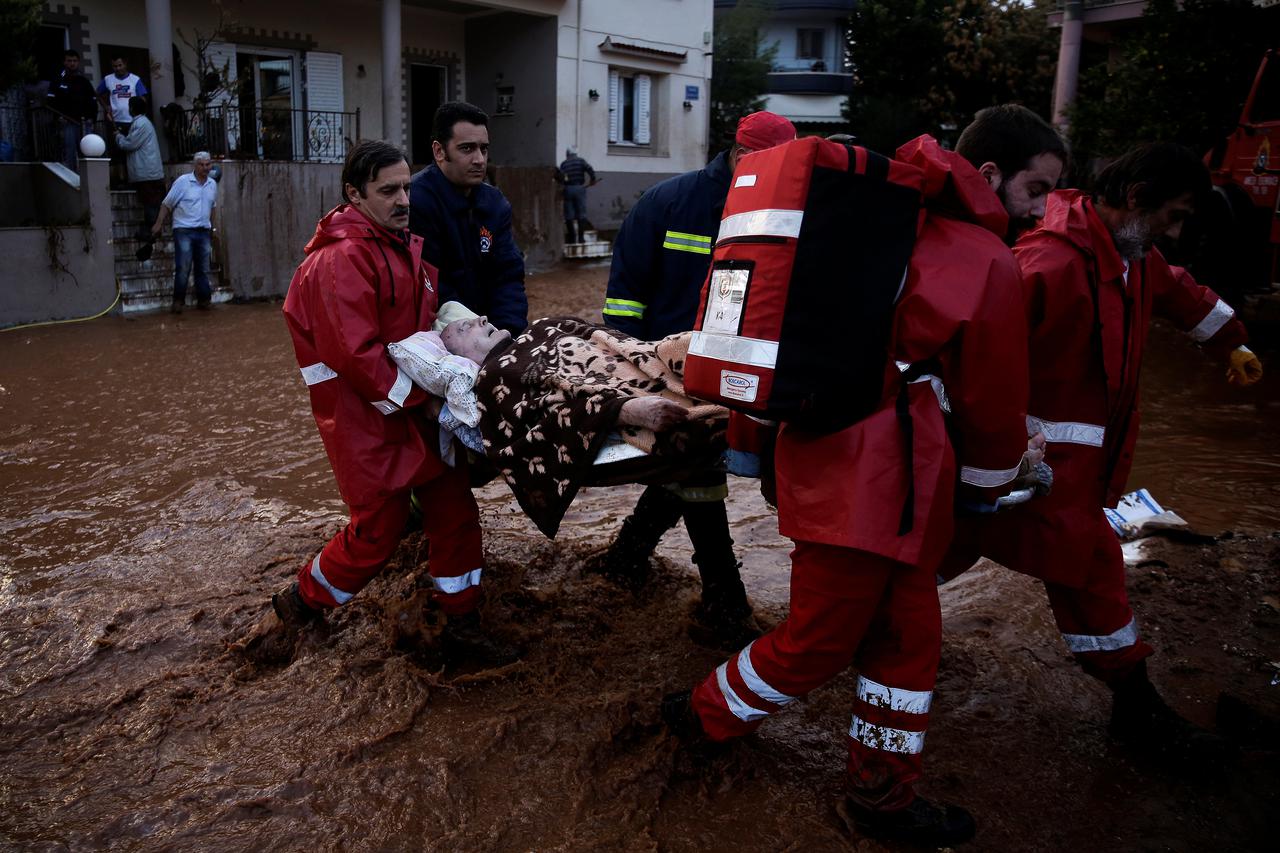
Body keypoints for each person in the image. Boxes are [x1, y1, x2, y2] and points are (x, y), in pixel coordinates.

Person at [661, 134, 1042, 848]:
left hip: (828, 460)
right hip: (883, 479)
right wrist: (988, 488)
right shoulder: (981, 255)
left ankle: (882, 793)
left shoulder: (837, 223)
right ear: (987, 177)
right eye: (1039, 188)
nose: (1045, 206)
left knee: (907, 637)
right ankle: (698, 714)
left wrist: (751, 456)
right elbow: (995, 395)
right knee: (821, 638)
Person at [937, 142, 1264, 768]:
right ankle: (1136, 708)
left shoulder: (1126, 255)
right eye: (1173, 214)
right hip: (1034, 469)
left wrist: (1229, 342)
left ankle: (858, 619)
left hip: (1039, 468)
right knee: (1088, 571)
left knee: (942, 546)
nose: (1176, 229)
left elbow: (1176, 290)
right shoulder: (1049, 265)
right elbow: (970, 358)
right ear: (1136, 199)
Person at [268, 140, 513, 665]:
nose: (404, 199)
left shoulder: (396, 245)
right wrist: (427, 405)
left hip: (412, 413)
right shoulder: (341, 260)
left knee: (454, 512)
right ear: (354, 194)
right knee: (375, 535)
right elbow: (356, 356)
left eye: (406, 187)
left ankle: (461, 624)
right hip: (367, 423)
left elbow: (415, 333)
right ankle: (298, 606)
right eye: (389, 190)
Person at [592, 111, 796, 648]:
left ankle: (625, 560)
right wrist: (628, 369)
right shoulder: (667, 203)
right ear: (738, 154)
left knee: (692, 465)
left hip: (733, 374)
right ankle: (723, 602)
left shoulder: (783, 213)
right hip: (662, 368)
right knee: (696, 467)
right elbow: (623, 298)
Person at [409, 101, 528, 335]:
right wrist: (477, 339)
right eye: (467, 149)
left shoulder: (494, 205)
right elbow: (433, 288)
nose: (479, 159)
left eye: (483, 149)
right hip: (439, 337)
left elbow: (508, 277)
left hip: (490, 333)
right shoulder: (415, 202)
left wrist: (507, 335)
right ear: (439, 151)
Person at [955, 103, 1068, 243]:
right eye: (1034, 191)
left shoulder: (923, 222)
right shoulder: (974, 255)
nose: (1042, 212)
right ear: (987, 176)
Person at [152, 152, 218, 313]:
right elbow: (167, 204)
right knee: (183, 267)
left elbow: (213, 207)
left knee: (203, 267)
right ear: (195, 166)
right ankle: (178, 301)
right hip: (184, 230)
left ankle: (204, 300)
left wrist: (214, 229)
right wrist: (158, 224)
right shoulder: (183, 182)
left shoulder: (212, 184)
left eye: (207, 164)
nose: (205, 168)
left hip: (203, 230)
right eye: (201, 165)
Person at [115, 96, 164, 239]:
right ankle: (152, 230)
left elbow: (129, 144)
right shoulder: (143, 123)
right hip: (148, 171)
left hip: (147, 172)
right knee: (151, 202)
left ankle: (152, 231)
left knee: (150, 203)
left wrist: (118, 137)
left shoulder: (141, 124)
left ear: (131, 108)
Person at [46, 50, 98, 171]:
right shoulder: (58, 80)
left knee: (86, 151)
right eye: (69, 61)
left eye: (74, 61)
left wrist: (92, 118)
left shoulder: (83, 80)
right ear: (64, 62)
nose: (72, 63)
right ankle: (72, 179)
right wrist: (57, 116)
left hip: (84, 123)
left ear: (78, 62)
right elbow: (50, 101)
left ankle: (86, 178)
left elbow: (92, 100)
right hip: (66, 122)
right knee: (68, 151)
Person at [555, 146, 596, 243]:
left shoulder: (564, 164)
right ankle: (581, 238)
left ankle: (572, 238)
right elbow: (589, 169)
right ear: (575, 154)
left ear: (568, 154)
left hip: (568, 189)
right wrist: (593, 179)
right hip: (579, 188)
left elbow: (561, 178)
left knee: (569, 215)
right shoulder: (580, 161)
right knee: (581, 214)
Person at [96, 56, 147, 135]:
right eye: (115, 66)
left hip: (133, 120)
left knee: (132, 145)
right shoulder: (108, 79)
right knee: (117, 145)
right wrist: (106, 107)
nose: (118, 68)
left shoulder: (135, 79)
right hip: (115, 121)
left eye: (120, 65)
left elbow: (143, 99)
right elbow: (98, 94)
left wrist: (141, 117)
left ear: (125, 64)